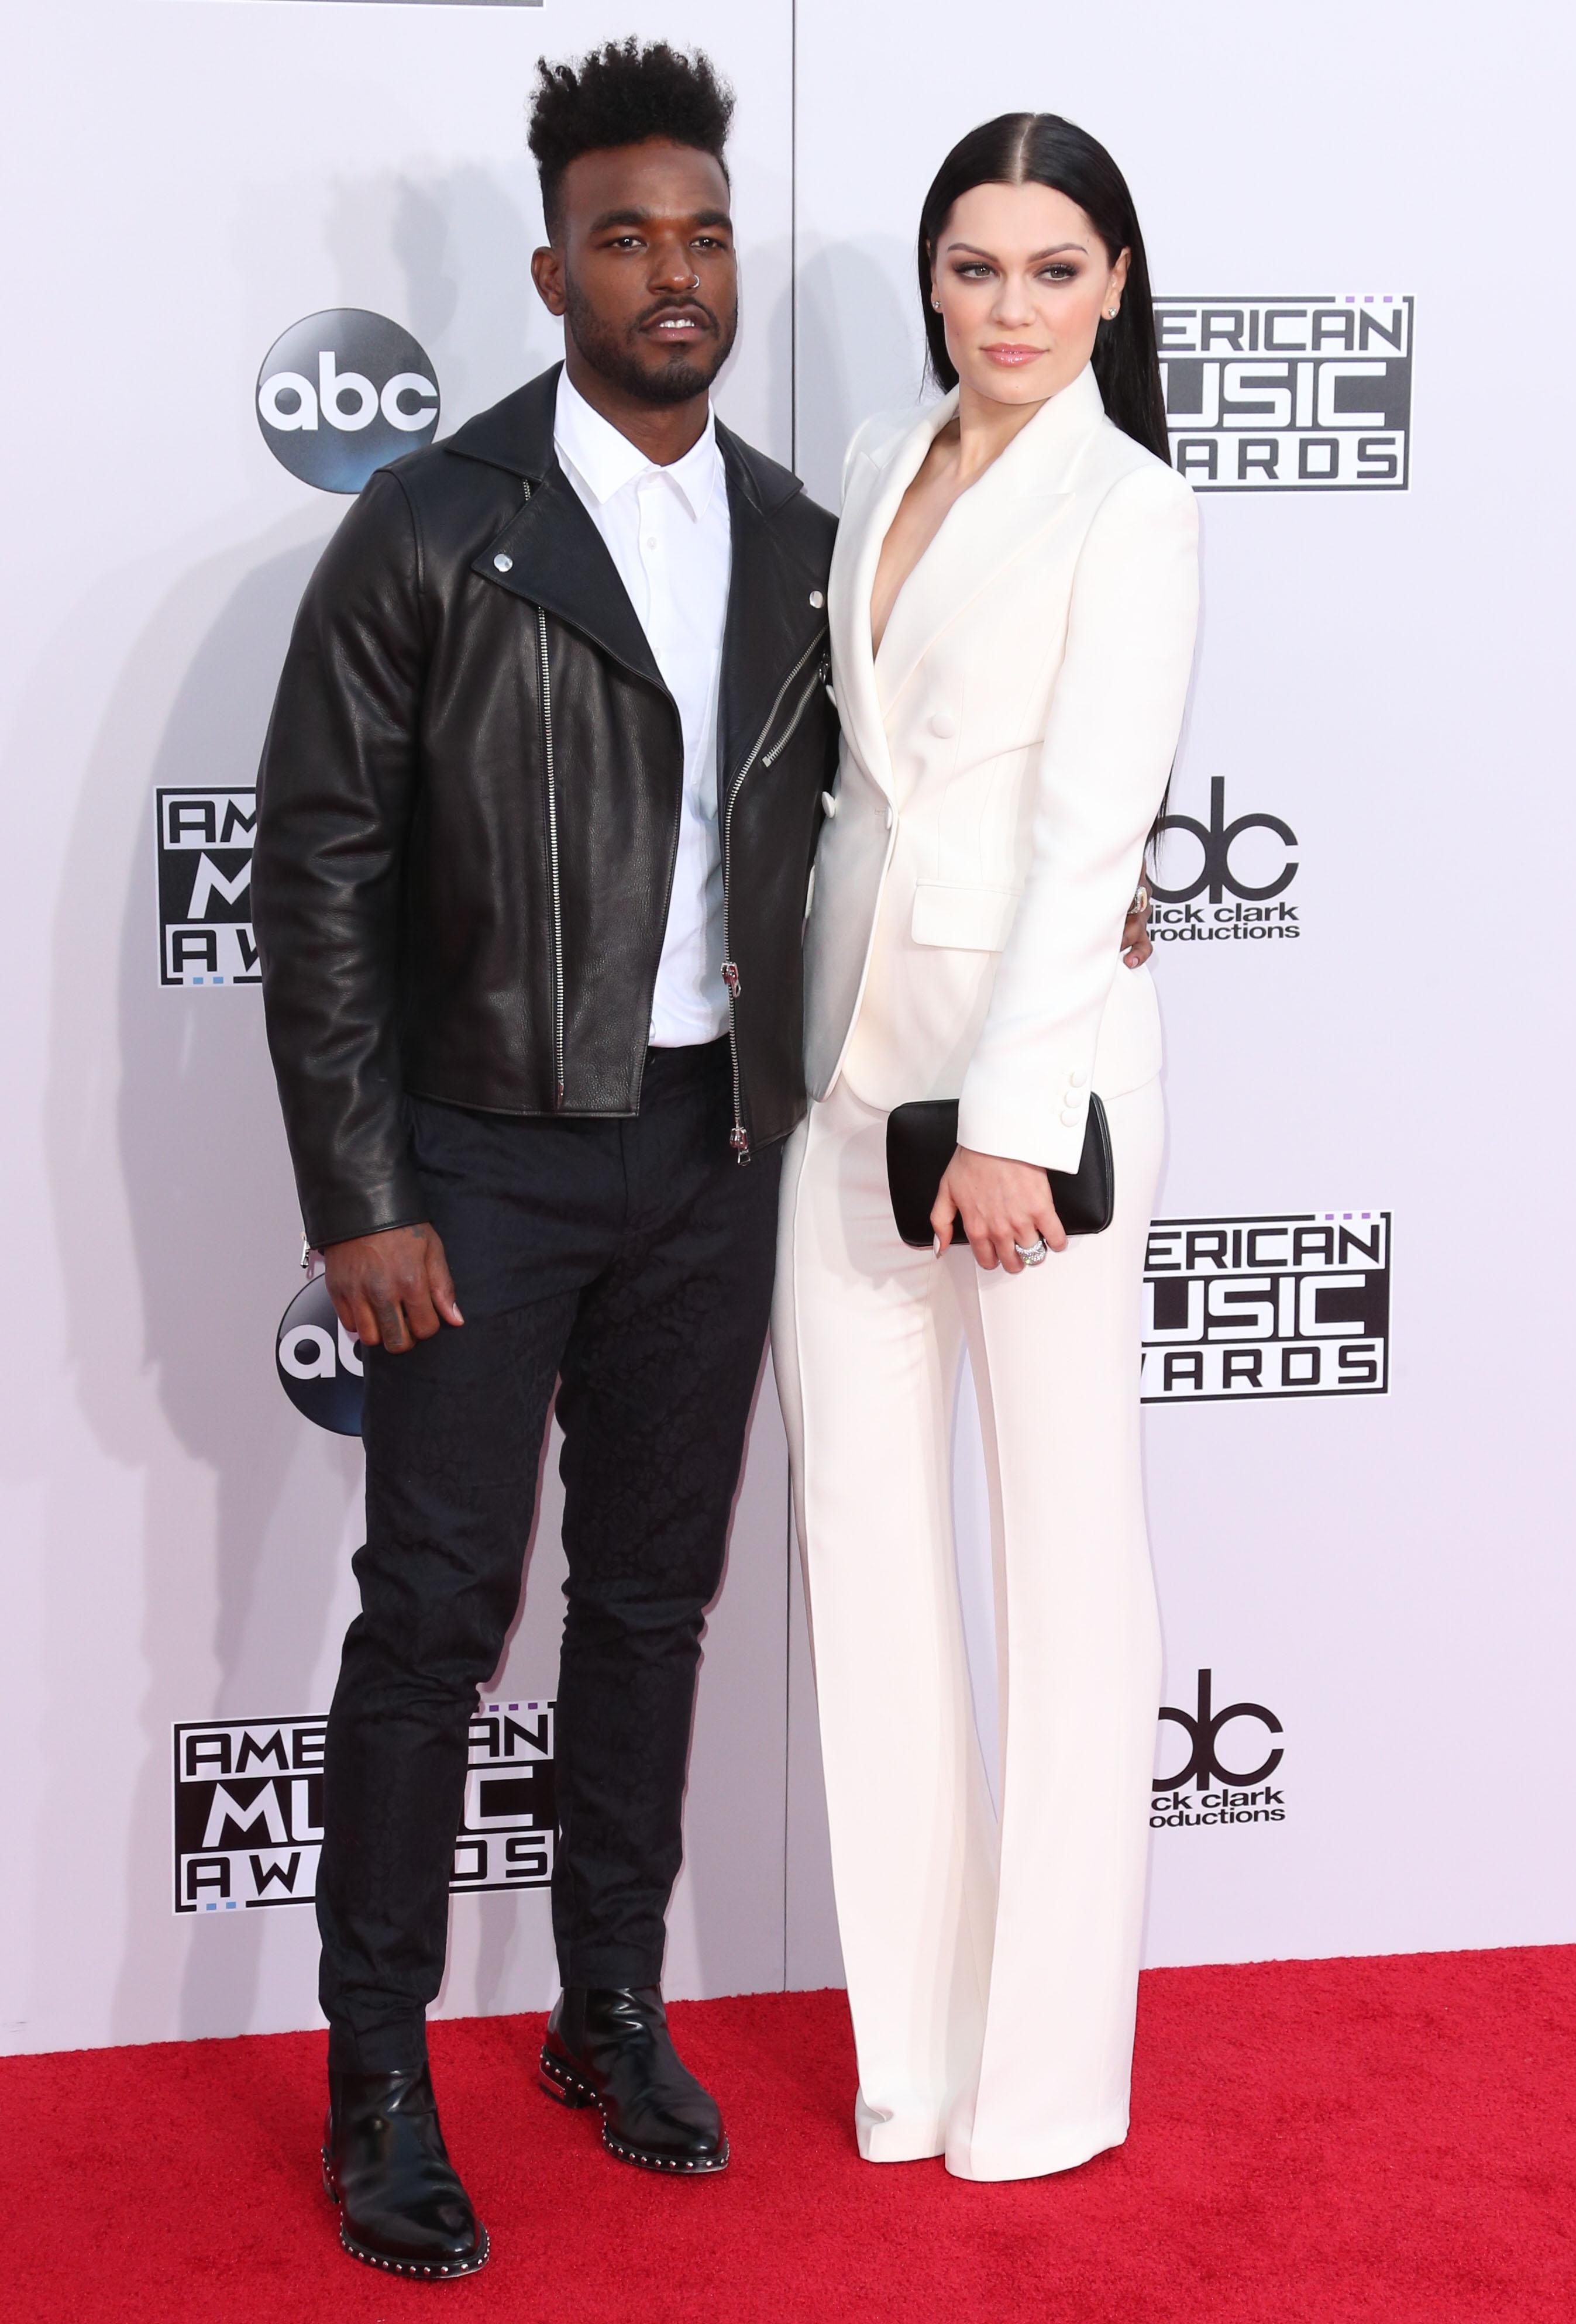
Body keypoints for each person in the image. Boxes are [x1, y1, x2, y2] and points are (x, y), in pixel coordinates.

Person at [252, 42, 839, 2279]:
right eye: (625, 236)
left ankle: (608, 2008)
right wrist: (360, 1192)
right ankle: (377, 2072)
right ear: (550, 269)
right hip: (478, 1163)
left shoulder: (794, 535)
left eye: (701, 235)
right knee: (430, 1617)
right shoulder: (436, 522)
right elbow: (315, 871)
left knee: (655, 1602)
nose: (672, 274)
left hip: (713, 1150)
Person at [772, 112, 1199, 2183]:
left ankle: (1043, 2087)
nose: (1009, 307)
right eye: (974, 265)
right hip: (848, 1080)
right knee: (865, 1561)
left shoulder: (1133, 508)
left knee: (1061, 1573)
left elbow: (1087, 827)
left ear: (1116, 281)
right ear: (934, 279)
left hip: (1029, 1108)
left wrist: (1021, 1124)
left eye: (1052, 268)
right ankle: (915, 2058)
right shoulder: (880, 462)